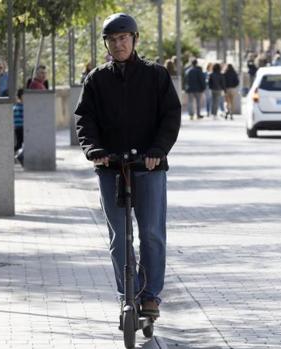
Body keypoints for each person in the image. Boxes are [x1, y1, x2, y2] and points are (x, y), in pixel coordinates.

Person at [74, 13, 181, 320]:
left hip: (149, 165)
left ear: (134, 39)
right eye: (112, 40)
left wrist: (158, 150)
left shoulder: (156, 75)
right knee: (119, 236)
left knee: (150, 232)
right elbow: (84, 119)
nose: (118, 45)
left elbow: (171, 116)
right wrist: (94, 150)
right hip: (111, 167)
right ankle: (127, 294)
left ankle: (150, 296)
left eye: (123, 38)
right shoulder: (96, 79)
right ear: (106, 44)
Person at [13, 88, 24, 166]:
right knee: (20, 144)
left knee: (20, 143)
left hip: (18, 127)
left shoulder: (16, 106)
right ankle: (16, 156)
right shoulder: (21, 106)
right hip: (21, 127)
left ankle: (17, 156)